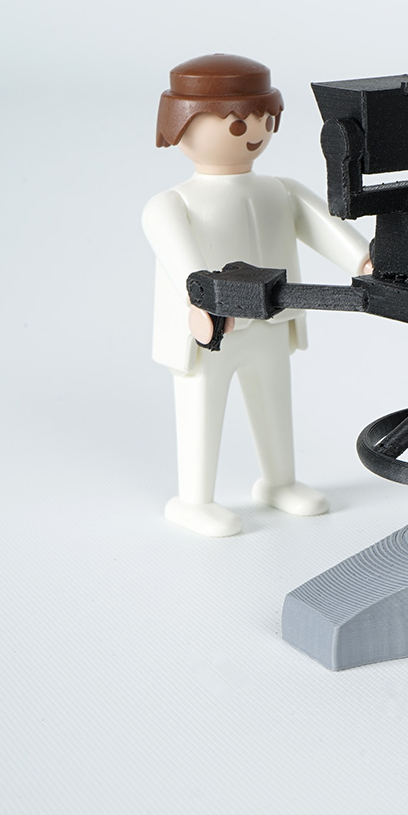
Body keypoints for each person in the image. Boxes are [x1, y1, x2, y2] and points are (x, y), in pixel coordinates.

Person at [143, 53, 370, 537]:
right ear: (182, 125)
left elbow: (325, 229)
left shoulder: (280, 190)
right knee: (202, 409)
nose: (255, 132)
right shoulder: (170, 204)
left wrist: (364, 260)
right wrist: (204, 299)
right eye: (237, 123)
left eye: (266, 119)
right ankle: (194, 500)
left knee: (275, 403)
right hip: (211, 332)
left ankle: (279, 482)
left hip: (273, 317)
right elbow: (184, 263)